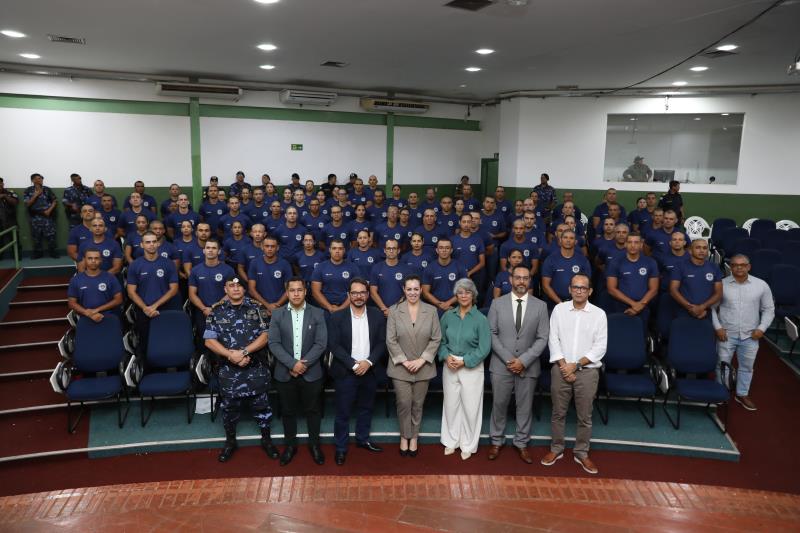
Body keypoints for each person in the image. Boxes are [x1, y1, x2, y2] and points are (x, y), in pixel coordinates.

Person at [203, 275, 276, 462]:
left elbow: (266, 335)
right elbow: (209, 340)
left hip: (255, 367)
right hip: (229, 370)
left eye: (239, 286)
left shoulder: (257, 308)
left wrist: (243, 352)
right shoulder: (216, 311)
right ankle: (230, 442)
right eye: (231, 286)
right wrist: (231, 355)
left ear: (244, 289)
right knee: (229, 408)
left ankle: (266, 440)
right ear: (225, 290)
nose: (235, 289)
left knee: (262, 406)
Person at [543, 272, 607, 475]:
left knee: (585, 416)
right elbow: (553, 339)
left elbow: (600, 347)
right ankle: (556, 449)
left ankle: (581, 452)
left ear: (590, 291)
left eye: (583, 288)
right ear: (570, 289)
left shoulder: (599, 314)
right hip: (560, 369)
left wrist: (576, 366)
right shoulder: (559, 310)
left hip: (587, 372)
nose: (579, 291)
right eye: (575, 287)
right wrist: (565, 366)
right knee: (558, 413)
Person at [487, 266, 549, 463]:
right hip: (501, 365)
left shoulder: (540, 306)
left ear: (530, 280)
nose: (521, 281)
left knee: (525, 406)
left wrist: (523, 361)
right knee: (499, 404)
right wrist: (509, 359)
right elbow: (491, 334)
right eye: (518, 277)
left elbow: (543, 338)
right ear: (511, 279)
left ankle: (521, 442)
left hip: (528, 366)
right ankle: (496, 440)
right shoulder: (497, 303)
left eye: (525, 278)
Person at [268, 277, 328, 466]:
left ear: (305, 292)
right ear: (287, 293)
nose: (296, 294)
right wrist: (292, 364)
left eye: (299, 290)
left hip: (311, 373)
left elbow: (321, 343)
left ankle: (315, 445)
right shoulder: (277, 314)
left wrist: (303, 365)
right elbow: (274, 343)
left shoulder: (317, 313)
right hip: (285, 373)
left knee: (313, 410)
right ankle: (290, 446)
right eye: (292, 290)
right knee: (288, 411)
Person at [328, 278, 387, 465]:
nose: (358, 296)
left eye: (362, 292)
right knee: (343, 412)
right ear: (349, 295)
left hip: (370, 370)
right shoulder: (337, 317)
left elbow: (382, 342)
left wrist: (368, 362)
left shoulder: (377, 315)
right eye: (354, 293)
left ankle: (363, 439)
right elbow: (334, 345)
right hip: (346, 372)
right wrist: (353, 365)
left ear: (368, 295)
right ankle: (341, 447)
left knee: (366, 409)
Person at [386, 275, 441, 457]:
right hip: (400, 367)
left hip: (423, 366)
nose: (412, 292)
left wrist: (421, 360)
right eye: (409, 289)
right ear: (404, 290)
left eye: (416, 289)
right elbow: (390, 340)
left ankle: (414, 436)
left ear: (421, 290)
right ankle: (404, 436)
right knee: (403, 403)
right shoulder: (394, 311)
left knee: (417, 404)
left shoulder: (431, 311)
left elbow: (436, 339)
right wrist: (404, 361)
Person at [712, 254, 775, 411]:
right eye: (735, 265)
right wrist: (717, 327)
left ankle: (742, 394)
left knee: (747, 367)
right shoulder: (721, 284)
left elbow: (769, 309)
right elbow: (711, 308)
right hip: (726, 334)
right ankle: (721, 393)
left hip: (751, 335)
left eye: (742, 265)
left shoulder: (761, 285)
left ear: (749, 267)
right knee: (722, 365)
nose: (738, 267)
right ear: (730, 267)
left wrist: (761, 328)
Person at [438, 278, 491, 460]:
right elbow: (440, 341)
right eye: (460, 292)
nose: (463, 295)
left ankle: (468, 445)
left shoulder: (481, 319)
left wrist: (465, 361)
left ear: (473, 295)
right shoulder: (448, 316)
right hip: (450, 363)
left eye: (467, 292)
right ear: (456, 295)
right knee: (451, 405)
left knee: (471, 407)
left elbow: (484, 348)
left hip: (471, 366)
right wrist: (446, 356)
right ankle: (450, 441)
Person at [126, 231, 179, 348]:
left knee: (165, 342)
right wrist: (145, 308)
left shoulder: (168, 263)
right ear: (142, 245)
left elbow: (174, 289)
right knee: (145, 343)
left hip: (165, 309)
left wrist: (154, 306)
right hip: (143, 310)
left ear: (158, 244)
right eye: (148, 242)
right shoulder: (135, 265)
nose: (151, 244)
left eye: (154, 242)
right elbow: (131, 292)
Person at [606, 233, 659, 326]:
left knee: (641, 333)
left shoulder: (650, 262)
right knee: (622, 332)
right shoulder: (615, 262)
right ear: (625, 244)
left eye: (636, 242)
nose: (633, 245)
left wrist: (640, 305)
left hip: (643, 305)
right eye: (630, 242)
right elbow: (611, 289)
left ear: (641, 245)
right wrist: (634, 305)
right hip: (620, 305)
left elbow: (654, 289)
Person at [188, 239, 235, 336]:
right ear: (204, 250)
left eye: (214, 248)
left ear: (219, 251)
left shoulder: (228, 270)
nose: (210, 250)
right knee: (203, 339)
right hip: (202, 311)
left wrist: (215, 307)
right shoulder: (195, 270)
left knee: (224, 339)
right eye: (208, 248)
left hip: (223, 310)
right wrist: (204, 309)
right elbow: (192, 294)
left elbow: (232, 292)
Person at [669, 239, 722, 320]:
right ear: (690, 251)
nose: (702, 250)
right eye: (698, 247)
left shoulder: (714, 267)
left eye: (704, 248)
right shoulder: (679, 266)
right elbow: (673, 290)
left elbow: (718, 293)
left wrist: (702, 307)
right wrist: (690, 308)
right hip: (683, 310)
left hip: (706, 310)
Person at [67, 248, 124, 321]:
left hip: (109, 317)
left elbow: (118, 299)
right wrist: (88, 313)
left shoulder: (110, 277)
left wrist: (97, 310)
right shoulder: (75, 280)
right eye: (90, 258)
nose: (93, 261)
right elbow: (71, 303)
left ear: (101, 260)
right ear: (84, 260)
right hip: (85, 317)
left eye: (96, 258)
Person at [541, 230, 592, 310]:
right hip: (554, 304)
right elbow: (545, 285)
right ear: (560, 240)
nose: (568, 240)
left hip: (577, 304)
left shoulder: (583, 260)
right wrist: (560, 303)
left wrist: (576, 302)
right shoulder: (550, 260)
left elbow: (586, 284)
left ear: (575, 242)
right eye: (565, 237)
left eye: (571, 238)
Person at [311, 239, 359, 316]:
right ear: (329, 250)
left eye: (340, 248)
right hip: (325, 309)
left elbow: (357, 291)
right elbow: (315, 292)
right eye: (334, 248)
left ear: (344, 250)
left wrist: (341, 308)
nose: (337, 251)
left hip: (347, 308)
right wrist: (330, 307)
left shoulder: (353, 268)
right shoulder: (320, 267)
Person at [247, 236, 292, 316]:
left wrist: (276, 305)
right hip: (260, 306)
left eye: (272, 246)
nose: (270, 249)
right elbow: (251, 290)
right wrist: (267, 305)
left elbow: (289, 289)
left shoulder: (285, 264)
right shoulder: (254, 263)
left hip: (281, 306)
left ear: (277, 248)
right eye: (267, 246)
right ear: (262, 247)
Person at [422, 237, 467, 314]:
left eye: (447, 248)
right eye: (441, 248)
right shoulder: (429, 268)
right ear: (437, 250)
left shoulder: (459, 266)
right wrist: (439, 304)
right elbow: (425, 292)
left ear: (451, 250)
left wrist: (448, 303)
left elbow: (465, 290)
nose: (444, 250)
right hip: (435, 308)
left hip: (455, 307)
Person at [370, 239, 411, 317]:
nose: (391, 251)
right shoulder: (377, 268)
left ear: (398, 250)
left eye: (394, 248)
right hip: (381, 312)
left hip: (401, 312)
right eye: (389, 248)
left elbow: (408, 291)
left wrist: (395, 309)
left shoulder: (406, 269)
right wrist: (384, 309)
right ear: (384, 250)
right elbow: (373, 292)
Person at [23, 173, 58, 258]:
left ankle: (53, 252)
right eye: (38, 178)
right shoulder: (28, 190)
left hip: (47, 217)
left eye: (41, 178)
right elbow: (27, 204)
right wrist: (36, 195)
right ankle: (38, 253)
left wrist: (49, 210)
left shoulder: (47, 189)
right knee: (36, 236)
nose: (41, 180)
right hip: (35, 217)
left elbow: (54, 201)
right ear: (33, 180)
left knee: (51, 235)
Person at [0, 177, 20, 260]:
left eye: (1, 183)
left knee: (15, 239)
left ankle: (17, 256)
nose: (0, 185)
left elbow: (15, 202)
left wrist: (5, 196)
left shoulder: (10, 192)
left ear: (3, 184)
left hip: (10, 221)